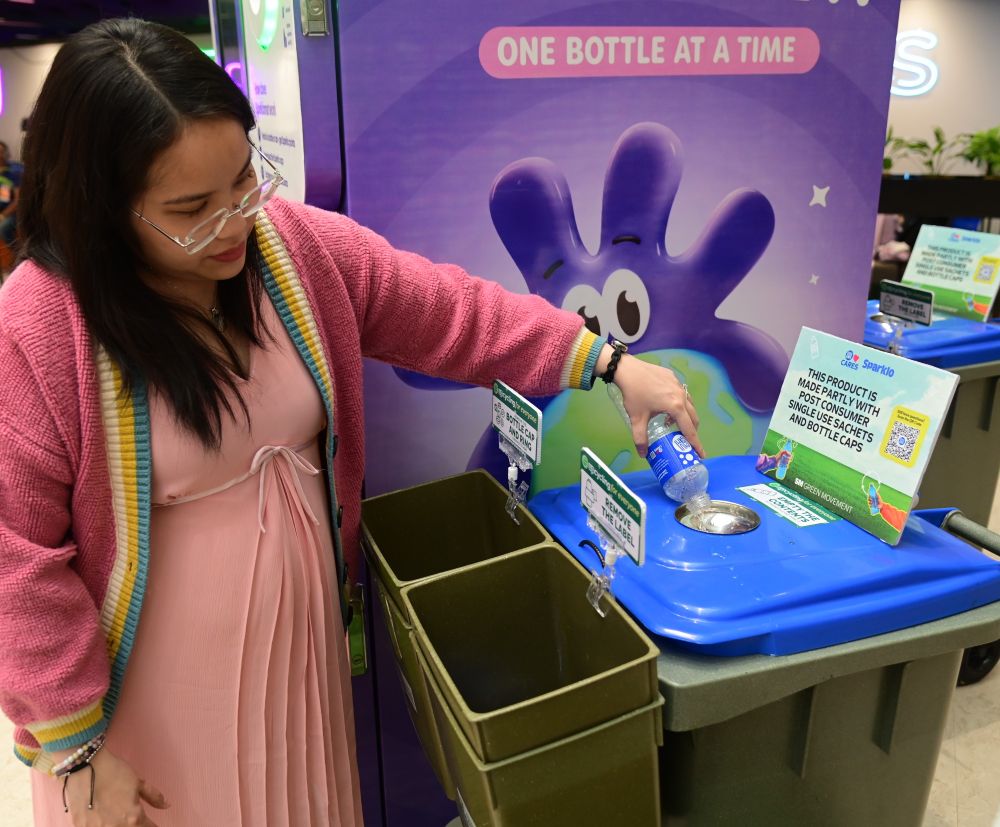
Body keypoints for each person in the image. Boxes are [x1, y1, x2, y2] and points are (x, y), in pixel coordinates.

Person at [0, 19, 702, 827]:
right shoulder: (43, 324)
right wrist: (78, 744)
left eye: (242, 180)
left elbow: (453, 313)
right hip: (142, 707)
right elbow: (16, 558)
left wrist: (608, 362)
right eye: (191, 208)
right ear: (100, 209)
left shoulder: (293, 252)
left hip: (303, 669)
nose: (234, 222)